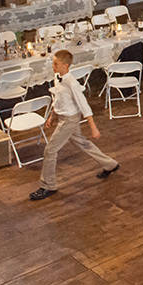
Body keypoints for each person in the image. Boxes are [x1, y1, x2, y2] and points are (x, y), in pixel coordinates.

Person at [30, 50, 120, 201]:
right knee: (82, 144)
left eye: (55, 63)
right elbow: (58, 99)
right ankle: (110, 164)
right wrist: (52, 117)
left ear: (65, 65)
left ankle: (48, 185)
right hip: (64, 117)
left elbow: (84, 105)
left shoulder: (72, 83)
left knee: (50, 150)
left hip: (69, 120)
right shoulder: (57, 77)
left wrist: (93, 127)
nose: (52, 66)